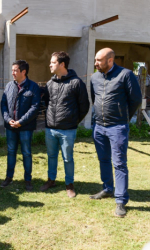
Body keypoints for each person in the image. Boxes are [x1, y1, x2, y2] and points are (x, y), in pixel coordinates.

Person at [90, 48, 142, 217]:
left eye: (99, 60)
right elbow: (94, 98)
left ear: (110, 60)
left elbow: (135, 99)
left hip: (117, 127)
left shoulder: (125, 75)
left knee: (119, 163)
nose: (95, 63)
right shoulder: (94, 77)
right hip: (99, 126)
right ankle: (107, 189)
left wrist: (123, 118)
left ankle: (120, 201)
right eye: (96, 60)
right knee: (103, 159)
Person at [41, 51, 90, 198]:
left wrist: (73, 121)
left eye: (53, 62)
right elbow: (46, 103)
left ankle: (69, 184)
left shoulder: (76, 83)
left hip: (68, 130)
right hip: (50, 129)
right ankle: (51, 180)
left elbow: (84, 107)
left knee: (68, 158)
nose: (50, 64)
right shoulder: (50, 84)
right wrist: (49, 119)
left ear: (62, 64)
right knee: (51, 156)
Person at [0, 60, 41, 191]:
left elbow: (35, 107)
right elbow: (3, 104)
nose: (12, 73)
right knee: (11, 151)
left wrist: (21, 121)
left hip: (26, 127)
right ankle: (9, 177)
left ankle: (28, 179)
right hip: (11, 127)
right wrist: (8, 119)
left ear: (23, 72)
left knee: (26, 153)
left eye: (15, 70)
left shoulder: (33, 87)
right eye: (12, 70)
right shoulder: (9, 86)